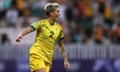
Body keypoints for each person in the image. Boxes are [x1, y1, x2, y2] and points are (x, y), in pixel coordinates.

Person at [16, 3, 70, 72]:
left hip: (47, 60)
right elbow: (30, 28)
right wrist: (21, 34)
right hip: (37, 54)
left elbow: (61, 46)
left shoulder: (59, 29)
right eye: (57, 12)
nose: (59, 14)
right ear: (51, 13)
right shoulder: (42, 23)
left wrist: (65, 60)